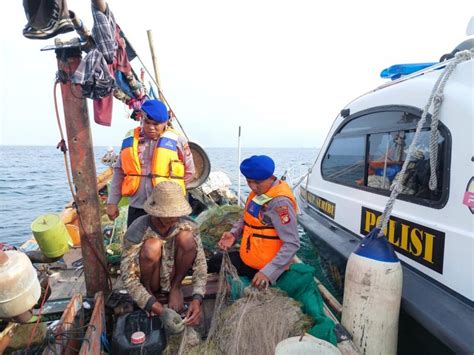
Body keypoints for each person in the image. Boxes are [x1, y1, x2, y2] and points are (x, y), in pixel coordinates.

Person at [120, 181, 207, 333]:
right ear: (155, 212)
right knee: (151, 246)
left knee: (187, 238)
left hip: (174, 275)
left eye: (176, 214)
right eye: (167, 215)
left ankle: (176, 288)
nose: (173, 218)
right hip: (150, 279)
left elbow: (200, 264)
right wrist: (157, 308)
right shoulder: (137, 230)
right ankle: (149, 292)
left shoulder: (188, 225)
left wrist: (197, 298)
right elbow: (128, 277)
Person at [211, 155, 300, 289]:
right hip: (249, 258)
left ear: (271, 177)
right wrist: (234, 234)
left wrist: (268, 272)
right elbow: (247, 217)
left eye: (257, 182)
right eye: (249, 181)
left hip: (266, 268)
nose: (252, 187)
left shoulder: (280, 203)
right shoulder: (259, 193)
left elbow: (292, 243)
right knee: (214, 262)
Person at [106, 99, 195, 227]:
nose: (151, 127)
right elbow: (119, 171)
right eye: (147, 122)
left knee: (168, 243)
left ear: (165, 122)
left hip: (167, 208)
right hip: (137, 206)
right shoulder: (130, 140)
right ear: (142, 119)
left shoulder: (177, 140)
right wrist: (112, 202)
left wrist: (173, 191)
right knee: (135, 243)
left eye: (156, 124)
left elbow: (190, 172)